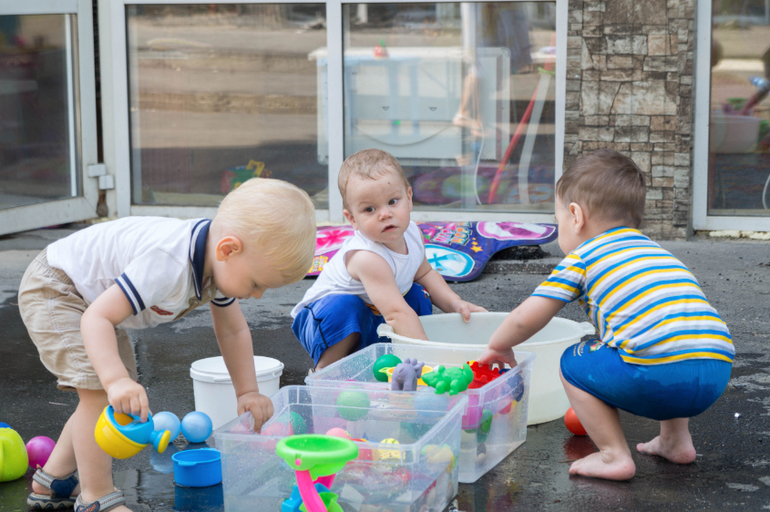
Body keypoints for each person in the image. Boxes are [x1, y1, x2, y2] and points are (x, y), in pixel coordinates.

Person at [18, 178, 316, 512]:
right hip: (58, 289)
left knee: (105, 392)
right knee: (102, 391)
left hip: (93, 303)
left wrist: (247, 391)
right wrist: (115, 380)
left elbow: (233, 331)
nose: (257, 295)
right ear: (228, 250)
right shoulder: (169, 262)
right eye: (257, 283)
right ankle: (96, 497)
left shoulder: (218, 263)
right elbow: (96, 318)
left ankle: (54, 479)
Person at [477, 149, 734, 481]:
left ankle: (613, 456)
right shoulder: (658, 253)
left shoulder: (584, 256)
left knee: (573, 361)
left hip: (657, 375)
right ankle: (676, 440)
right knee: (666, 337)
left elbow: (527, 316)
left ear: (575, 215)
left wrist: (498, 345)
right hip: (716, 370)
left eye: (558, 221)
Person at [291, 148, 486, 370]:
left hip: (372, 314)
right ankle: (327, 370)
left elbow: (425, 273)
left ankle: (403, 359)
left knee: (417, 293)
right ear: (352, 219)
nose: (385, 214)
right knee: (347, 306)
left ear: (409, 198)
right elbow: (396, 313)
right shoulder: (367, 257)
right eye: (369, 209)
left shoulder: (413, 234)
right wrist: (432, 359)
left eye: (393, 201)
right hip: (320, 323)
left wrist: (455, 303)